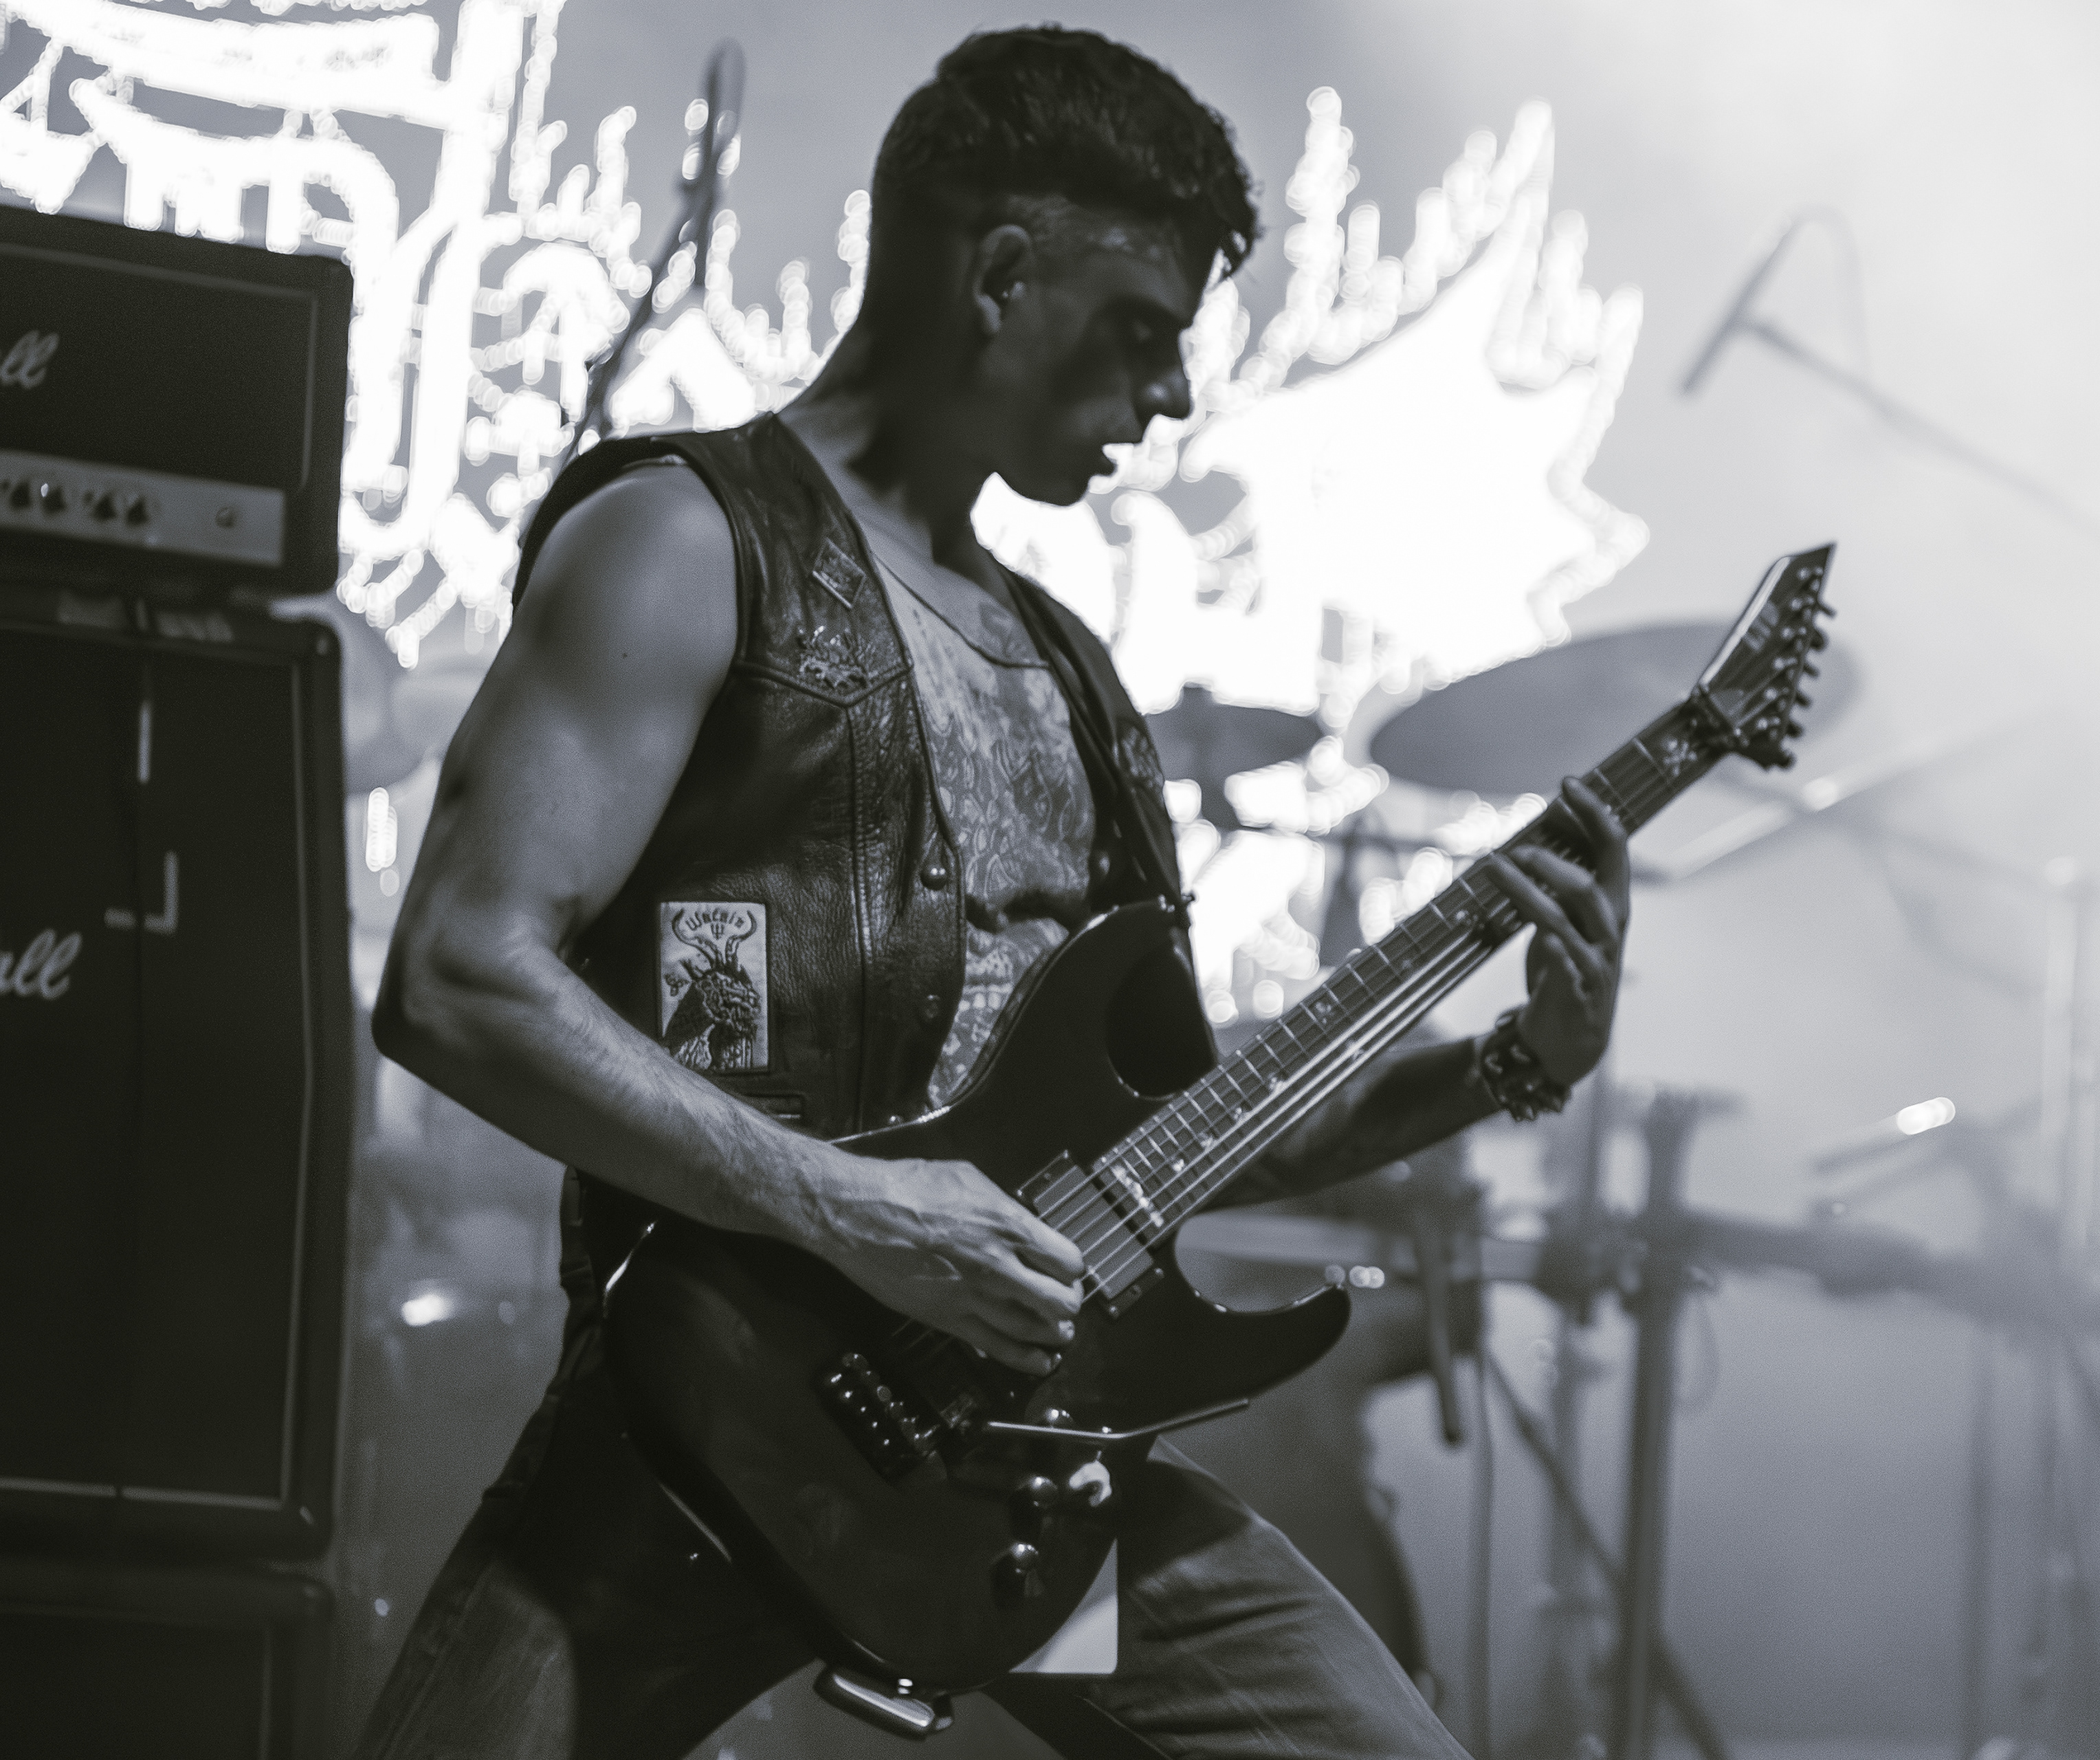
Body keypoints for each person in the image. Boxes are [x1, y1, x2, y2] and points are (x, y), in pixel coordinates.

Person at [362, 27, 1630, 1760]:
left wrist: (1510, 1062)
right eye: (1143, 330)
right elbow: (455, 977)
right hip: (693, 1452)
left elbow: (1186, 1136)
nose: (1171, 395)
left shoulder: (1073, 673)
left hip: (1024, 1486)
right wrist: (860, 1213)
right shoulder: (683, 541)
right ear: (1003, 274)